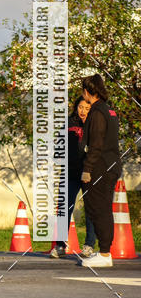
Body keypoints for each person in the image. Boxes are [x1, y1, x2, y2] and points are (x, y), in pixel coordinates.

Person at [79, 73, 122, 268]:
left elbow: (95, 144)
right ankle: (104, 250)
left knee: (98, 208)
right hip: (112, 164)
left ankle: (105, 253)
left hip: (100, 167)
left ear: (88, 92)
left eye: (83, 91)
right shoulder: (110, 111)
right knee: (104, 207)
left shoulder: (96, 113)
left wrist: (87, 169)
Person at [49, 96, 96, 258]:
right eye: (80, 107)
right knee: (64, 208)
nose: (83, 111)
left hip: (89, 174)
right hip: (70, 173)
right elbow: (59, 146)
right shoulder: (69, 124)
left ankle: (89, 245)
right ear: (76, 108)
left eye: (87, 108)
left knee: (91, 209)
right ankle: (60, 246)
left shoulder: (95, 125)